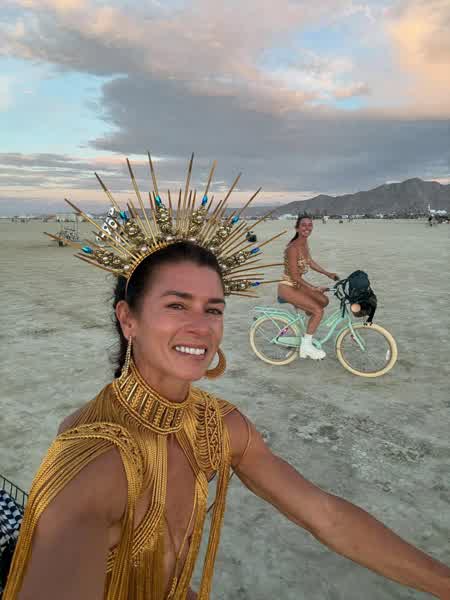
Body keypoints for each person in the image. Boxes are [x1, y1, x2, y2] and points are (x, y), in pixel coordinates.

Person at [4, 160, 450, 600]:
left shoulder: (217, 425)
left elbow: (325, 516)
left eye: (213, 309)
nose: (201, 327)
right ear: (128, 318)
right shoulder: (94, 456)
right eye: (177, 305)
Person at [278, 214, 339, 360]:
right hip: (288, 287)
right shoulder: (292, 248)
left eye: (310, 225)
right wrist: (313, 288)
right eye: (303, 225)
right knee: (318, 311)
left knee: (323, 301)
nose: (307, 228)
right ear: (297, 228)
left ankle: (307, 326)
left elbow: (310, 262)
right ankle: (306, 346)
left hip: (298, 285)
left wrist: (328, 274)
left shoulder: (304, 243)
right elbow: (294, 276)